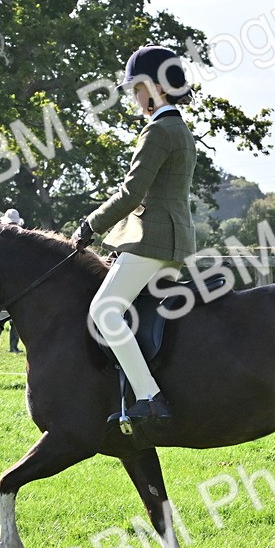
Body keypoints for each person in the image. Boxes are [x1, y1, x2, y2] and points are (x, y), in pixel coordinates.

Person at [70, 45, 197, 426]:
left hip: (151, 240)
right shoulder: (181, 129)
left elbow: (131, 193)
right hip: (176, 242)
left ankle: (149, 395)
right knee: (138, 319)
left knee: (103, 311)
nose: (135, 97)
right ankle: (126, 396)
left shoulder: (158, 131)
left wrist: (90, 225)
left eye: (137, 87)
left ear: (157, 86)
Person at [0, 208, 25, 353]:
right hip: (3, 285)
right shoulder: (0, 242)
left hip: (17, 285)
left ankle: (13, 346)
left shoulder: (22, 242)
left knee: (16, 317)